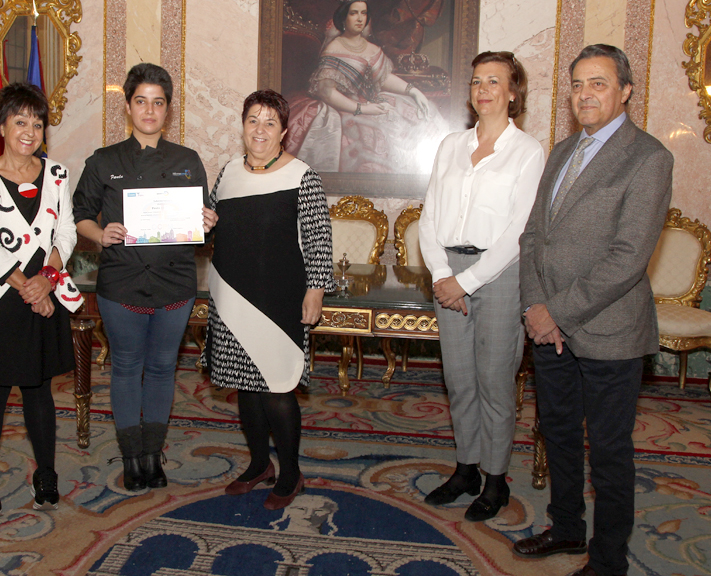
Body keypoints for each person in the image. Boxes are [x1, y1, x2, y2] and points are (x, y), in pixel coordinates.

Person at [513, 45, 673, 576]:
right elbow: (534, 235)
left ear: (626, 90)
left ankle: (608, 561)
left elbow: (628, 258)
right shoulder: (560, 151)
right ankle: (565, 528)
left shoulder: (648, 157)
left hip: (608, 331)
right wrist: (536, 307)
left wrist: (557, 310)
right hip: (549, 327)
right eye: (578, 84)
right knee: (556, 433)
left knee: (607, 451)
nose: (585, 94)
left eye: (599, 83)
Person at [73, 63, 217, 491]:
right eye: (141, 101)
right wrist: (101, 233)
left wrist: (209, 220)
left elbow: (203, 223)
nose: (149, 110)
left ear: (168, 110)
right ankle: (131, 457)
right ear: (129, 107)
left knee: (160, 370)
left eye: (158, 102)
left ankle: (153, 456)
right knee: (125, 368)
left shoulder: (187, 161)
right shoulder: (104, 160)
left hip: (175, 282)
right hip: (121, 283)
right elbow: (79, 214)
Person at [418, 51, 544, 521]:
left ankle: (495, 481)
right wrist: (442, 276)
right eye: (476, 81)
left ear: (513, 92)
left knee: (494, 381)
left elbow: (518, 231)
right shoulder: (450, 145)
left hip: (498, 274)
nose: (483, 89)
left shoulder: (527, 151)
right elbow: (429, 218)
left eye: (494, 81)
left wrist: (466, 282)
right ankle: (466, 469)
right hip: (448, 273)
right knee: (459, 381)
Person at [0, 83, 83, 519]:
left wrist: (46, 280)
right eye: (20, 121)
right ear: (2, 125)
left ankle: (46, 474)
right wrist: (26, 285)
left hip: (42, 292)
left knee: (39, 391)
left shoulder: (58, 175)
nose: (30, 131)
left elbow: (64, 234)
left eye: (37, 122)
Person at [205, 89, 336, 510]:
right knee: (245, 384)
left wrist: (315, 291)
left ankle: (291, 473)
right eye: (252, 121)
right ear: (242, 126)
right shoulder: (227, 172)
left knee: (278, 387)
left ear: (284, 131)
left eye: (269, 123)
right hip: (231, 292)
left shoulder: (302, 176)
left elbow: (319, 242)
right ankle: (260, 463)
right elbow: (211, 225)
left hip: (279, 299)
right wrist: (204, 222)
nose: (259, 130)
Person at [285, 0, 448, 174]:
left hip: (369, 101)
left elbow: (383, 79)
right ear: (344, 18)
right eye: (354, 13)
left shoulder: (371, 49)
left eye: (363, 13)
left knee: (414, 117)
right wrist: (364, 108)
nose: (359, 18)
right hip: (341, 108)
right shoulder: (335, 47)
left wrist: (413, 91)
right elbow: (327, 92)